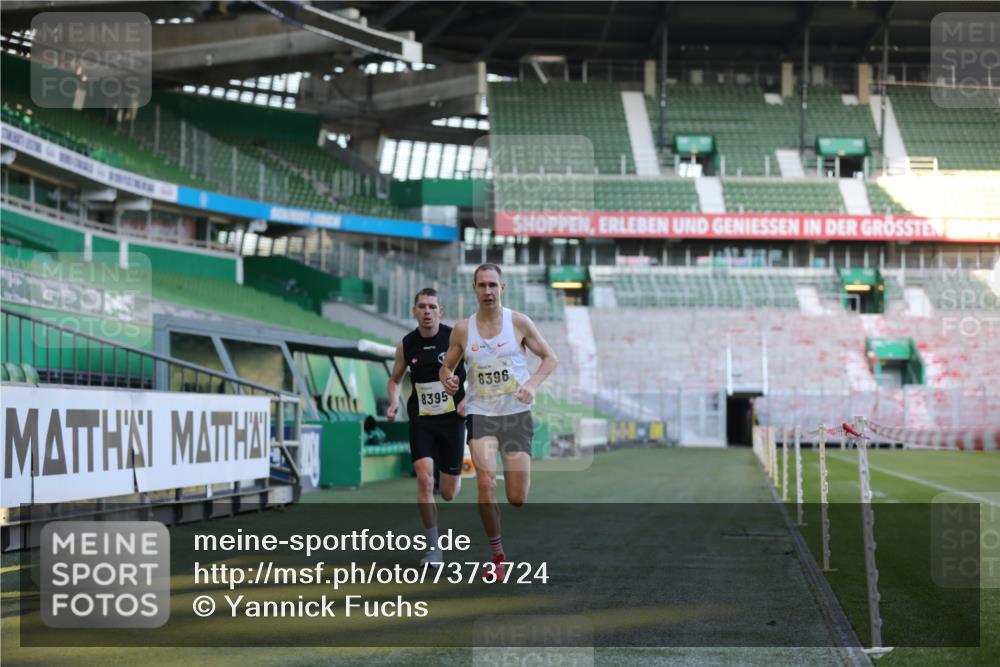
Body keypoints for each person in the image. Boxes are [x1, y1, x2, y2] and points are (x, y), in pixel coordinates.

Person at [439, 263, 558, 578]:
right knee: (485, 481)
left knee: (516, 497)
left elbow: (550, 358)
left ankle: (502, 542)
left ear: (502, 287)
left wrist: (531, 385)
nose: (488, 291)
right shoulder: (462, 330)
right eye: (482, 285)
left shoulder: (518, 322)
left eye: (493, 285)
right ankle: (497, 557)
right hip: (481, 413)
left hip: (515, 414)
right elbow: (446, 367)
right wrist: (448, 379)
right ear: (474, 289)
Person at [387, 288, 467, 565]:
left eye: (432, 307)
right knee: (424, 479)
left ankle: (452, 473)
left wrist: (467, 398)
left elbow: (475, 371)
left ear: (440, 311)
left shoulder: (455, 337)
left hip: (452, 420)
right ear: (414, 311)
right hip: (421, 419)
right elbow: (394, 379)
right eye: (422, 306)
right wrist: (394, 401)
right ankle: (434, 549)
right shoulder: (407, 344)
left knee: (448, 493)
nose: (427, 311)